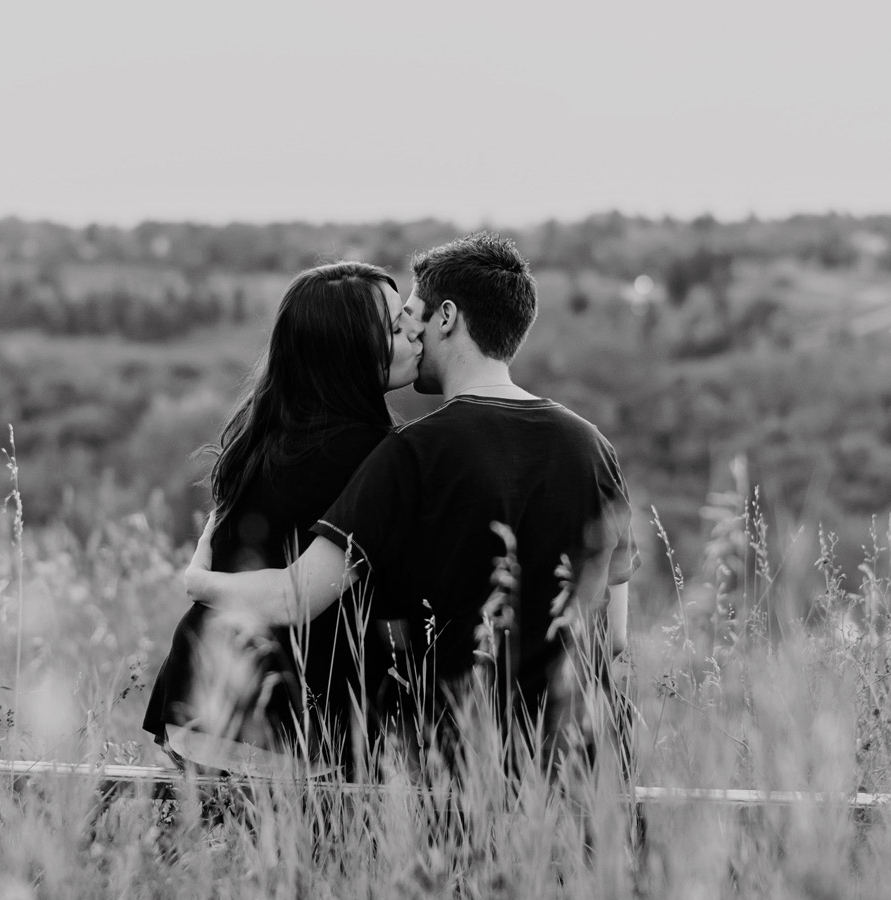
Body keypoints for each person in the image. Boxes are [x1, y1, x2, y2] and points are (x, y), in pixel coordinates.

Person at [185, 232, 639, 780]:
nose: (410, 333)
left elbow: (300, 594)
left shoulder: (411, 453)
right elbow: (613, 636)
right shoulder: (594, 448)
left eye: (413, 316)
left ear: (447, 318)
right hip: (588, 761)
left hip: (460, 768)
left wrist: (201, 581)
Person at [141, 261, 421, 778]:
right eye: (394, 326)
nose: (413, 332)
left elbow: (214, 539)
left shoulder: (259, 436)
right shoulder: (381, 458)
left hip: (197, 701)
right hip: (286, 730)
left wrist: (199, 581)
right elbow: (296, 599)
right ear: (350, 349)